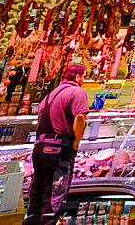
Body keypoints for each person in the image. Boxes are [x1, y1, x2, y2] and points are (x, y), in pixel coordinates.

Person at [26, 63, 90, 225]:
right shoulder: (77, 92)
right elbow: (80, 118)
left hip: (39, 149)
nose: (84, 79)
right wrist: (75, 143)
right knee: (53, 199)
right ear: (78, 77)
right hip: (58, 149)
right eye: (84, 76)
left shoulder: (48, 96)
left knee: (37, 196)